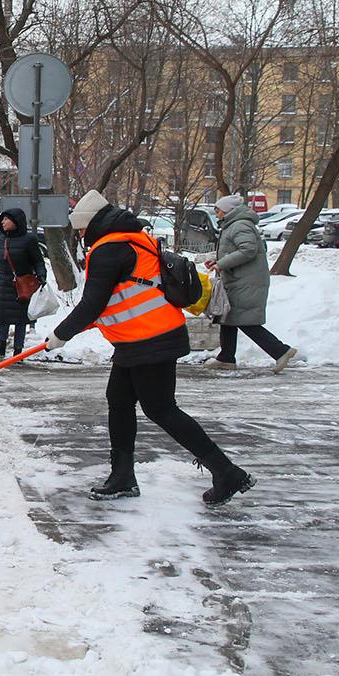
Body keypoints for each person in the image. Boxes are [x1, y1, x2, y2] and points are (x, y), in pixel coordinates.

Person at [45, 189, 255, 506]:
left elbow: (92, 303)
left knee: (160, 409)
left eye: (83, 229)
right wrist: (87, 323)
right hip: (140, 339)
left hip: (150, 339)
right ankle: (123, 476)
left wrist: (61, 334)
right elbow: (119, 297)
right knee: (119, 400)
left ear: (92, 224)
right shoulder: (130, 240)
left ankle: (226, 472)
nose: (83, 235)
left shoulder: (109, 249)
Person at [203, 194, 300, 374]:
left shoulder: (240, 225)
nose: (216, 214)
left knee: (244, 320)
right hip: (237, 279)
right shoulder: (233, 225)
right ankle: (226, 358)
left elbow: (248, 250)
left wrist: (222, 264)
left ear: (229, 210)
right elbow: (234, 250)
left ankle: (281, 351)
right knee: (228, 317)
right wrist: (216, 261)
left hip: (246, 281)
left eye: (218, 210)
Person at [0, 207, 47, 357]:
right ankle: (1, 348)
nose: (3, 222)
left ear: (16, 222)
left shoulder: (29, 240)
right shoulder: (2, 239)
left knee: (20, 320)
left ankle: (18, 352)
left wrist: (41, 275)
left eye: (7, 219)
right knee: (3, 318)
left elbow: (38, 261)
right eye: (3, 219)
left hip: (21, 284)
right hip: (3, 283)